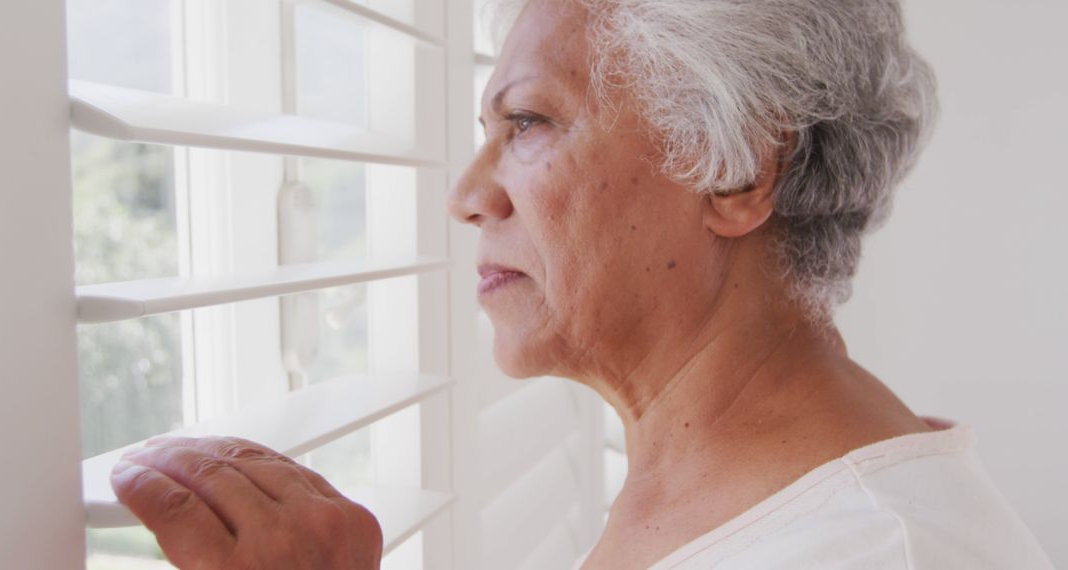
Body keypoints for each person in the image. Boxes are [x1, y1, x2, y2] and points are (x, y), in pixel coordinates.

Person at [112, 0, 1055, 568]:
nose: (469, 195)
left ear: (735, 170)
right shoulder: (703, 496)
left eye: (527, 122)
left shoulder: (876, 554)